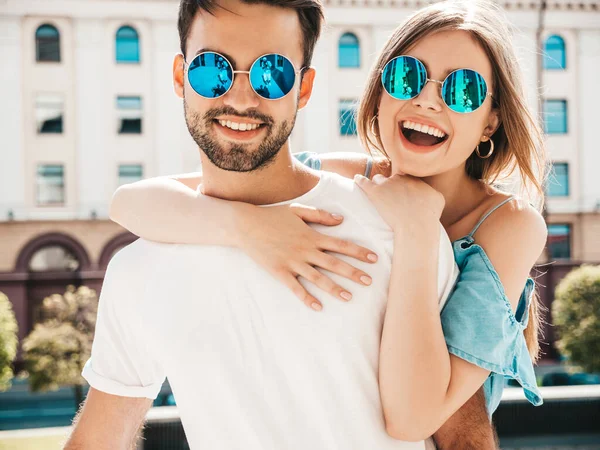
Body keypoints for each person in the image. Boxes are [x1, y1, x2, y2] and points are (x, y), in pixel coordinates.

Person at [107, 0, 549, 446]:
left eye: (464, 90)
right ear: (380, 93)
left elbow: (416, 417)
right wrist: (250, 226)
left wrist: (416, 232)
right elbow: (131, 202)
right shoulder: (348, 179)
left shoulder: (509, 224)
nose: (427, 100)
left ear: (491, 121)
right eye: (406, 76)